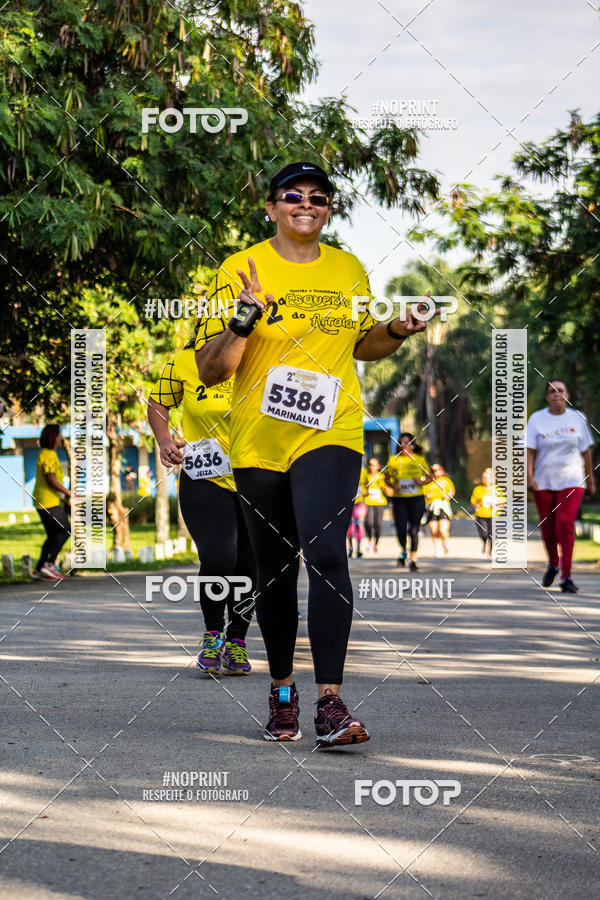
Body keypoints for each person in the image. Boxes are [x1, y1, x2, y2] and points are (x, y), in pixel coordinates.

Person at [195, 161, 439, 747]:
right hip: (259, 439)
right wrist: (244, 319)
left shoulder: (348, 268)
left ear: (329, 208)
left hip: (330, 431)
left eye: (319, 197)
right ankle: (283, 692)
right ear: (273, 206)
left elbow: (364, 344)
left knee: (327, 553)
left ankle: (330, 702)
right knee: (276, 571)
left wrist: (398, 329)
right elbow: (210, 368)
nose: (307, 204)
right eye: (293, 195)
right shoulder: (239, 269)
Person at [148, 339, 256, 674]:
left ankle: (236, 640)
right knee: (219, 557)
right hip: (204, 474)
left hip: (256, 475)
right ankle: (213, 636)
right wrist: (165, 440)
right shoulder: (184, 362)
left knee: (250, 563)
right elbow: (156, 403)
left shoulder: (260, 356)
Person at [526, 379, 595, 593]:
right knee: (548, 530)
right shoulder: (537, 419)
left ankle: (566, 576)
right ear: (547, 396)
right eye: (552, 391)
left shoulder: (578, 418)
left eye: (561, 391)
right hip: (544, 480)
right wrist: (529, 476)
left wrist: (590, 479)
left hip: (572, 480)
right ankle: (553, 563)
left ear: (567, 395)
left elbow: (586, 451)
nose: (557, 394)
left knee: (564, 525)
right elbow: (529, 450)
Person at [386, 433, 432, 571]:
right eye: (401, 443)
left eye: (406, 443)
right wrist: (394, 486)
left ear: (412, 445)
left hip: (416, 498)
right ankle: (403, 549)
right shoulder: (393, 460)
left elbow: (430, 477)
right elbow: (386, 478)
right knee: (400, 528)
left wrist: (421, 482)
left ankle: (413, 559)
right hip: (399, 499)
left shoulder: (420, 459)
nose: (403, 445)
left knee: (414, 529)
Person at [32, 424, 71, 581]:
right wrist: (68, 492)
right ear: (54, 437)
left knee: (53, 535)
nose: (61, 438)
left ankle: (38, 569)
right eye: (59, 435)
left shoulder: (49, 454)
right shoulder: (48, 455)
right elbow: (51, 479)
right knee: (65, 530)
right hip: (47, 502)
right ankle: (49, 564)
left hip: (46, 500)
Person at [359, 456, 391, 553]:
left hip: (380, 502)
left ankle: (376, 543)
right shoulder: (366, 476)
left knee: (378, 524)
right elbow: (363, 488)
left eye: (374, 465)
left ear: (378, 466)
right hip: (368, 502)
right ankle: (369, 540)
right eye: (370, 465)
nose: (372, 467)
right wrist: (364, 492)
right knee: (368, 523)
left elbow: (387, 490)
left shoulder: (381, 477)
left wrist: (384, 484)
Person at [470, 467, 504, 557]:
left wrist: (496, 505)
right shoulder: (478, 489)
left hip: (494, 515)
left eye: (487, 478)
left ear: (492, 479)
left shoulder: (497, 490)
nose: (485, 480)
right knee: (484, 533)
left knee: (492, 533)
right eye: (483, 478)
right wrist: (476, 505)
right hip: (481, 514)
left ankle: (491, 550)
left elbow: (502, 503)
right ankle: (485, 543)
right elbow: (473, 501)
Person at [423, 463, 455, 556]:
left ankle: (444, 544)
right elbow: (424, 493)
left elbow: (451, 490)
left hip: (442, 506)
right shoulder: (428, 482)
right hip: (432, 506)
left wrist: (448, 496)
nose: (436, 472)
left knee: (443, 530)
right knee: (434, 530)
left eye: (438, 470)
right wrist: (426, 496)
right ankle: (437, 548)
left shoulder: (446, 480)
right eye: (433, 471)